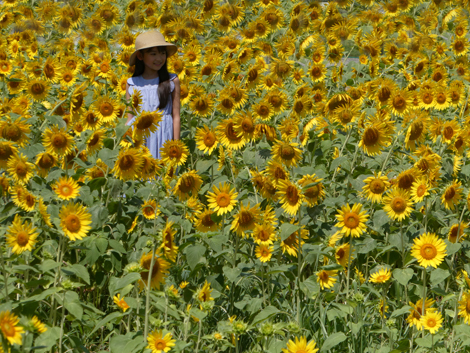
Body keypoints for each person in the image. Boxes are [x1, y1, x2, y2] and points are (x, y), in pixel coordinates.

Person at [126, 30, 181, 160]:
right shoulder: (132, 83)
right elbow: (130, 118)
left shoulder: (172, 80)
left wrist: (176, 146)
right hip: (141, 138)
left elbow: (176, 116)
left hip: (164, 136)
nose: (159, 58)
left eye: (162, 53)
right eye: (153, 54)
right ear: (140, 56)